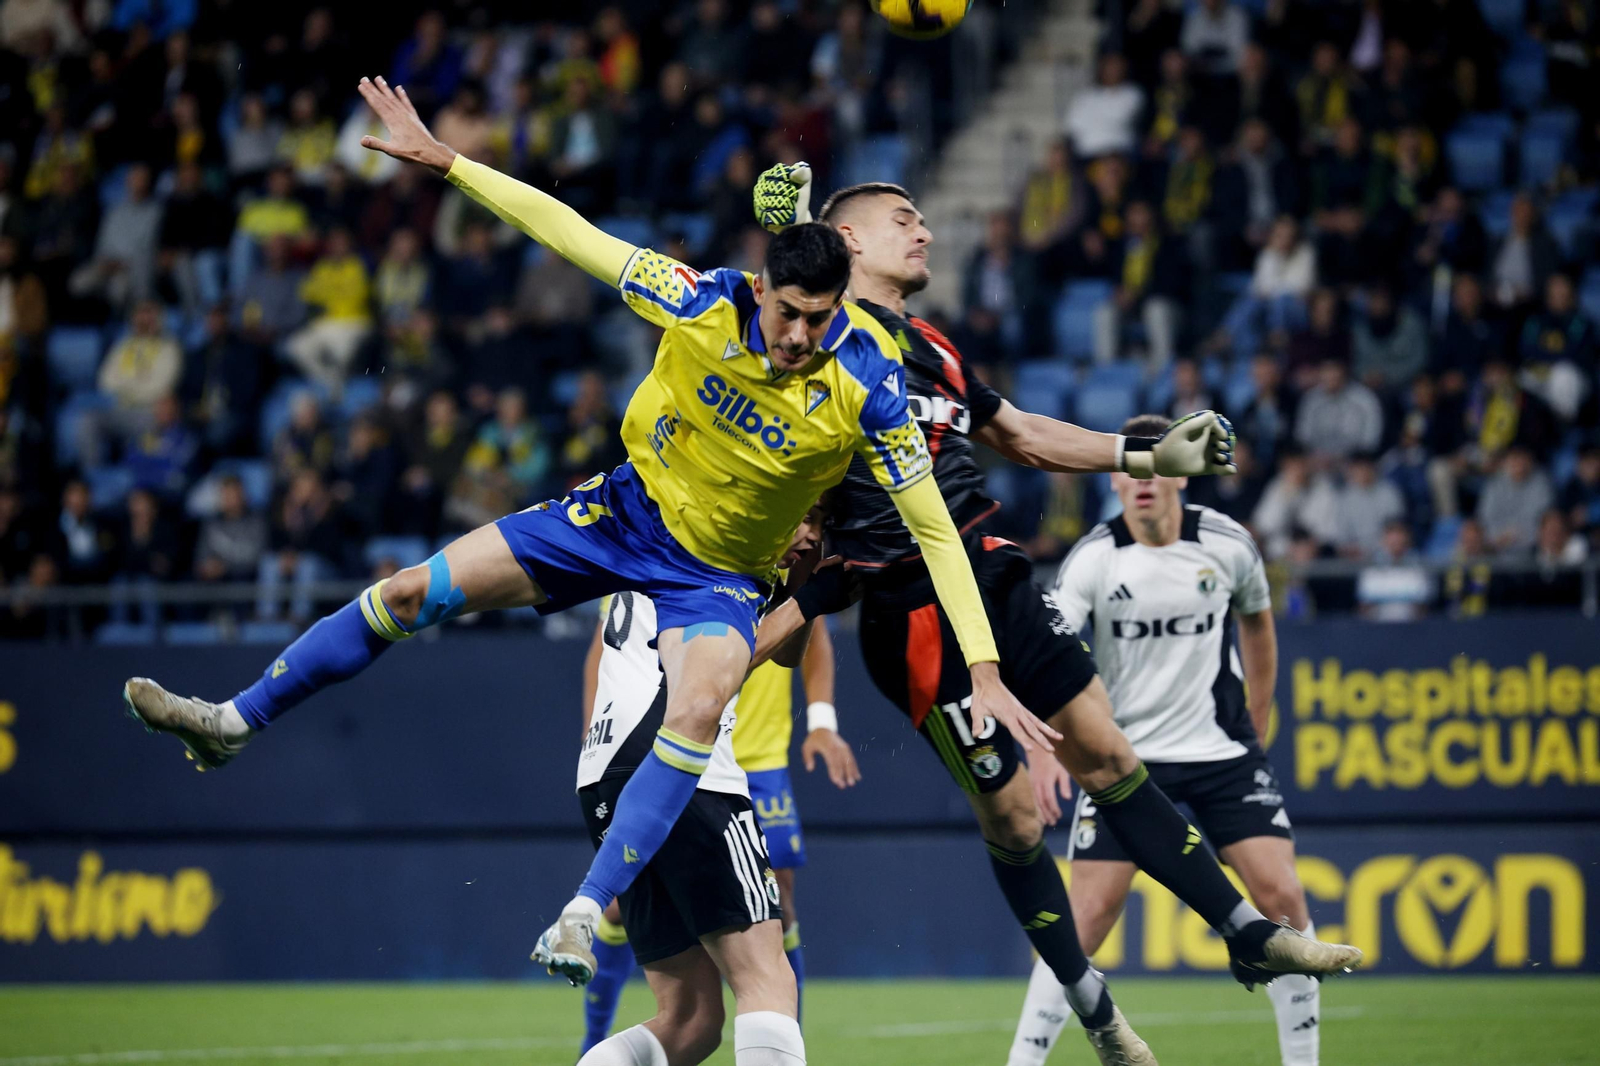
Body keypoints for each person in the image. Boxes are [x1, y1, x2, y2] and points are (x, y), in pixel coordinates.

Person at [123, 80, 1043, 1057]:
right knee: (409, 591)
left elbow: (936, 532)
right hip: (618, 513)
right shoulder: (696, 298)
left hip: (717, 578)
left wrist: (982, 666)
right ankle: (232, 721)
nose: (802, 338)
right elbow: (568, 231)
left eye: (820, 318)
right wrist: (450, 165)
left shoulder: (868, 384)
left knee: (693, 715)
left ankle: (582, 907)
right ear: (760, 286)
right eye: (790, 315)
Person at [751, 167, 1360, 1063]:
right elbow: (765, 307)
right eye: (902, 219)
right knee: (1017, 821)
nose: (923, 231)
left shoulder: (936, 348)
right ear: (847, 246)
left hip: (992, 573)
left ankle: (1243, 932)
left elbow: (1026, 435)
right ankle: (1094, 1007)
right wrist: (783, 226)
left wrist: (1144, 449)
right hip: (911, 606)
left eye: (923, 217)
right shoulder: (818, 333)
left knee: (1110, 752)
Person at [1009, 414, 1323, 1066]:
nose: (1142, 479)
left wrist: (1257, 725)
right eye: (1128, 467)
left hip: (1220, 755)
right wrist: (1042, 751)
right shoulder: (1094, 560)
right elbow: (1040, 654)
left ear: (1179, 473)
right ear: (1115, 482)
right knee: (1082, 921)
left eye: (1155, 465)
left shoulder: (1228, 543)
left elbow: (1259, 625)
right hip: (1126, 763)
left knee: (1284, 898)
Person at [576, 507, 854, 1058]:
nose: (812, 531)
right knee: (767, 979)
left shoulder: (662, 530)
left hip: (605, 769)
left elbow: (792, 652)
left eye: (820, 520)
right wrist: (815, 597)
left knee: (691, 1018)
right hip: (685, 762)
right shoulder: (732, 539)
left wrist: (802, 589)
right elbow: (722, 665)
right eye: (802, 514)